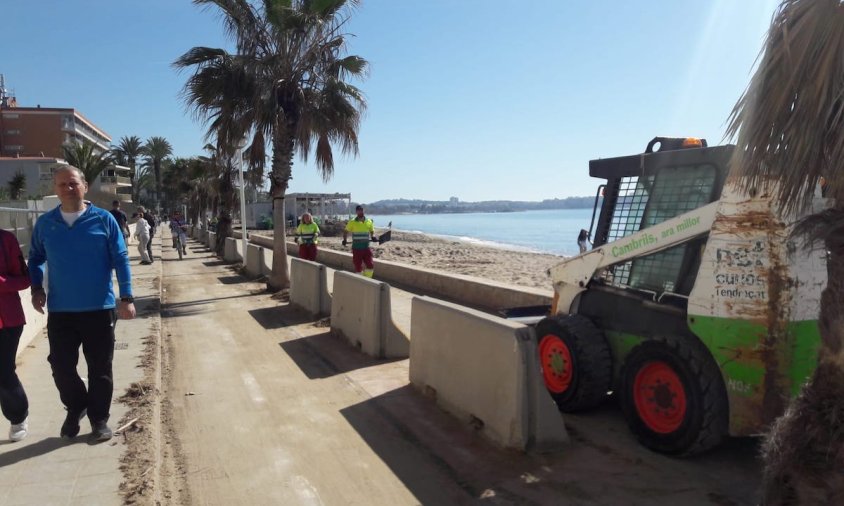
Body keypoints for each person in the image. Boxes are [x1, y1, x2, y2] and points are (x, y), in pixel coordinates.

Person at [28, 165, 136, 443]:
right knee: (60, 366)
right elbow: (36, 258)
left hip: (98, 309)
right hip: (61, 310)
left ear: (84, 186)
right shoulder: (46, 224)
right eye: (62, 184)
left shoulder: (103, 220)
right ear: (55, 188)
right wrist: (37, 288)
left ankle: (99, 420)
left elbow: (121, 259)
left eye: (73, 183)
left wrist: (126, 297)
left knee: (100, 368)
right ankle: (77, 405)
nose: (68, 188)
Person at [0, 228, 31, 442]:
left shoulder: (5, 240)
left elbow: (24, 280)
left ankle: (18, 417)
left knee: (3, 371)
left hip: (7, 321)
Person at [343, 205, 376, 277]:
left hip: (366, 247)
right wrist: (345, 240)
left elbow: (372, 230)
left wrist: (373, 236)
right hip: (356, 248)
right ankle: (360, 281)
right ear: (356, 212)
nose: (361, 211)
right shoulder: (352, 222)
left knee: (370, 265)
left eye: (362, 210)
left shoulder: (369, 221)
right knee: (358, 267)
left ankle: (367, 280)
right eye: (359, 210)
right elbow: (346, 231)